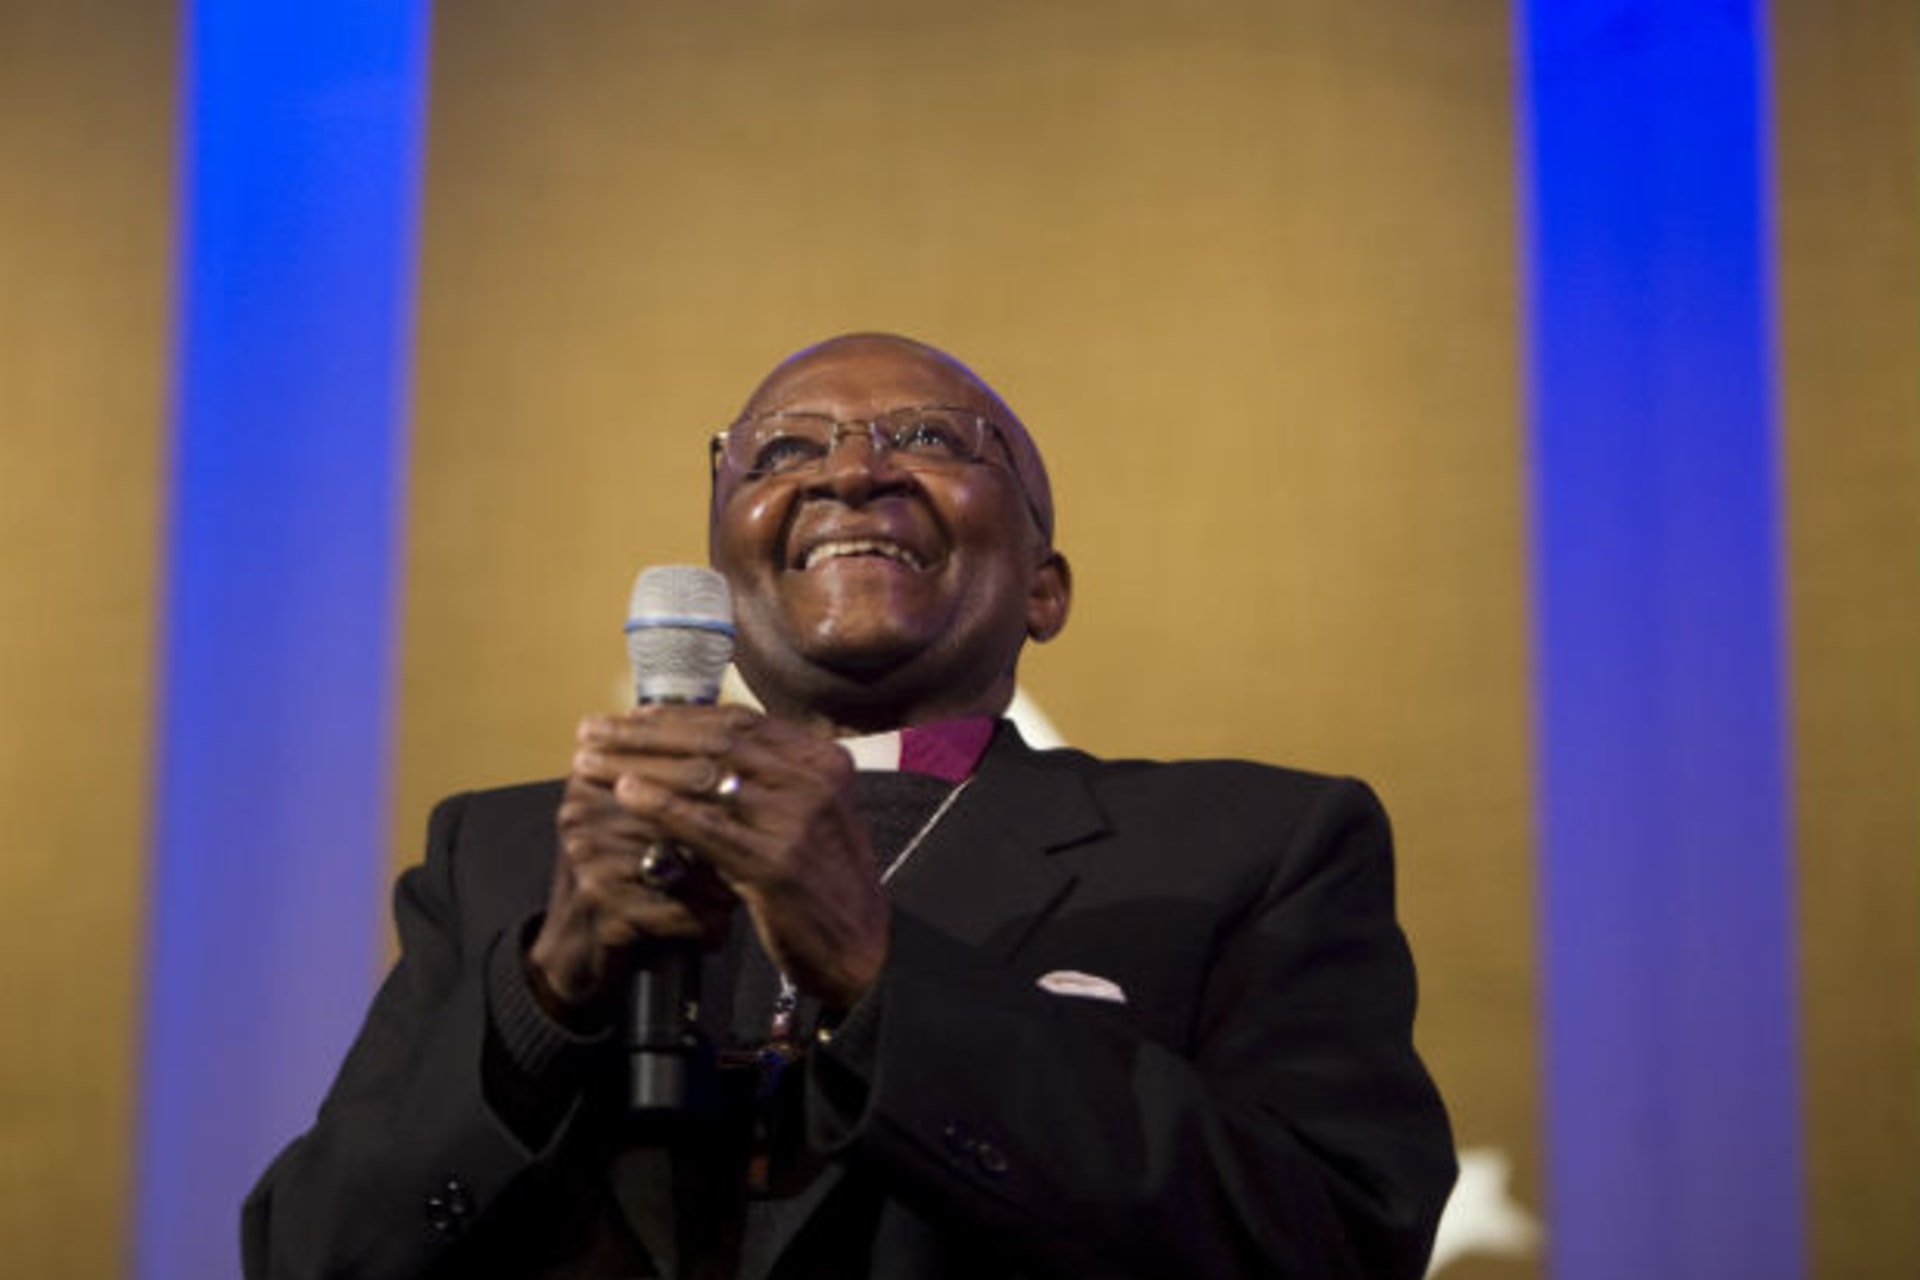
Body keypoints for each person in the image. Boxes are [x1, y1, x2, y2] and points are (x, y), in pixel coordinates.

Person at [242, 333, 1455, 1279]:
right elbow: (311, 1254)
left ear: (1045, 587)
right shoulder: (502, 856)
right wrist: (546, 990)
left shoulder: (1248, 845)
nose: (852, 468)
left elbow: (1335, 1244)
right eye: (778, 452)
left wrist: (883, 971)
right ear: (720, 577)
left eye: (931, 436)